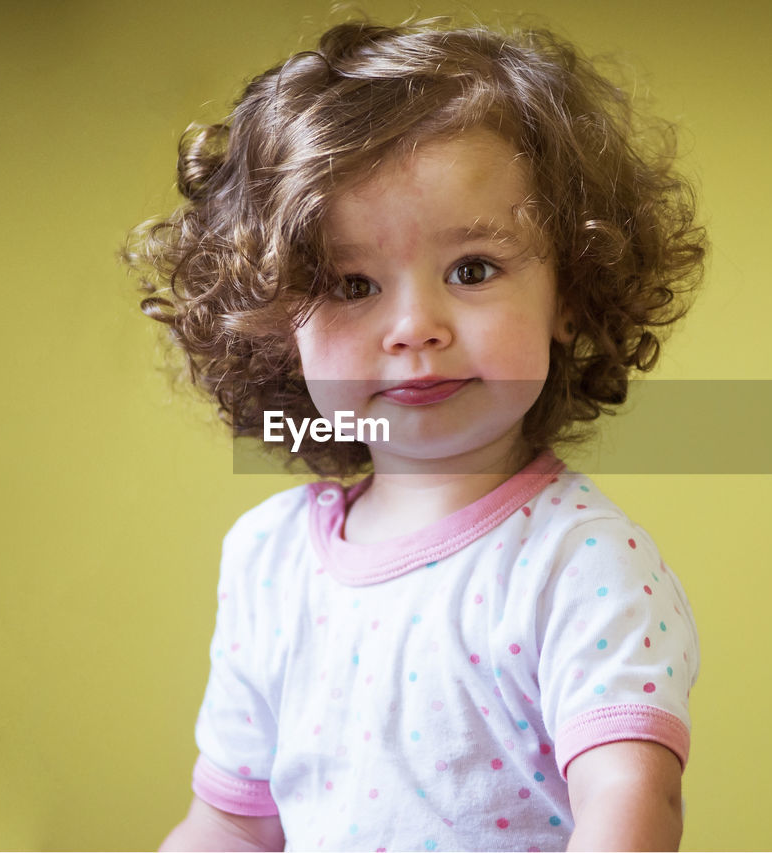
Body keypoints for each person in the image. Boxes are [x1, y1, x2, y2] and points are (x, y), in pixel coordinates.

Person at [126, 16, 706, 851]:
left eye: (472, 270)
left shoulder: (579, 563)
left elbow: (631, 800)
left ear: (569, 294)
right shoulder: (268, 560)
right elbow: (234, 825)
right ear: (279, 322)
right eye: (353, 283)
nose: (414, 326)